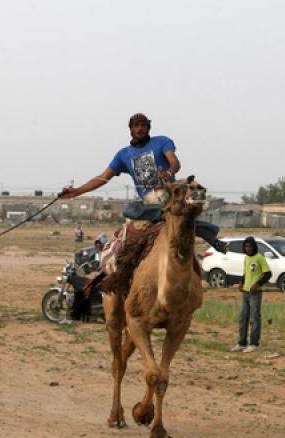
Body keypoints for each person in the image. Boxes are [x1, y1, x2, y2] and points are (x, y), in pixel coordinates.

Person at [59, 113, 227, 253]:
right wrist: (78, 191)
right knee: (129, 209)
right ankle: (166, 216)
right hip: (149, 205)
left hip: (169, 196)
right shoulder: (123, 154)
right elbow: (103, 178)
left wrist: (169, 172)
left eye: (143, 125)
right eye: (136, 125)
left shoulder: (161, 141)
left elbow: (174, 162)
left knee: (194, 200)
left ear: (148, 128)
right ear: (130, 129)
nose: (139, 128)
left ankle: (212, 237)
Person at [230, 236, 272, 353]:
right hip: (245, 292)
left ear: (254, 247)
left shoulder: (259, 258)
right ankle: (242, 343)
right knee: (243, 318)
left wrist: (257, 284)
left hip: (255, 293)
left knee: (254, 318)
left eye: (250, 246)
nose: (248, 248)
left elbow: (268, 274)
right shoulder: (246, 258)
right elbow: (246, 272)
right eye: (246, 246)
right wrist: (241, 282)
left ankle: (254, 343)